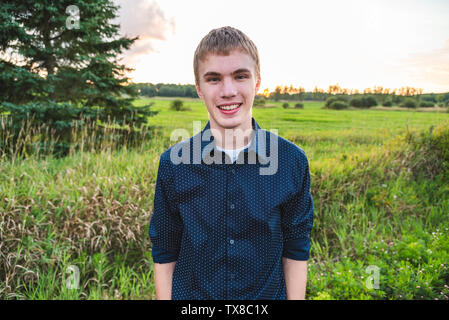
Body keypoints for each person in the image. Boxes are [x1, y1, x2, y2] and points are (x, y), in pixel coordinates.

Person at [149, 26, 314, 300]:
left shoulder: (291, 162)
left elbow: (296, 251)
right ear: (199, 88)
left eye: (240, 76)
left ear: (257, 82)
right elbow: (165, 253)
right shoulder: (174, 165)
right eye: (214, 79)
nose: (228, 91)